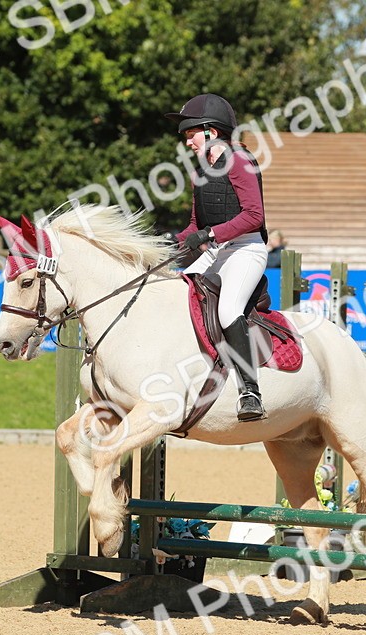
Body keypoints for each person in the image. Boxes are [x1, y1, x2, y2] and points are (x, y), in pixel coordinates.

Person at [166, 93, 269, 422]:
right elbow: (196, 225)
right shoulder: (201, 171)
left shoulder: (239, 160)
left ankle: (249, 390)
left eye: (190, 135)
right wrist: (169, 243)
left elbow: (254, 216)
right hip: (219, 250)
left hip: (247, 249)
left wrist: (208, 236)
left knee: (227, 309)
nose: (188, 143)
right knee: (175, 292)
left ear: (210, 131)